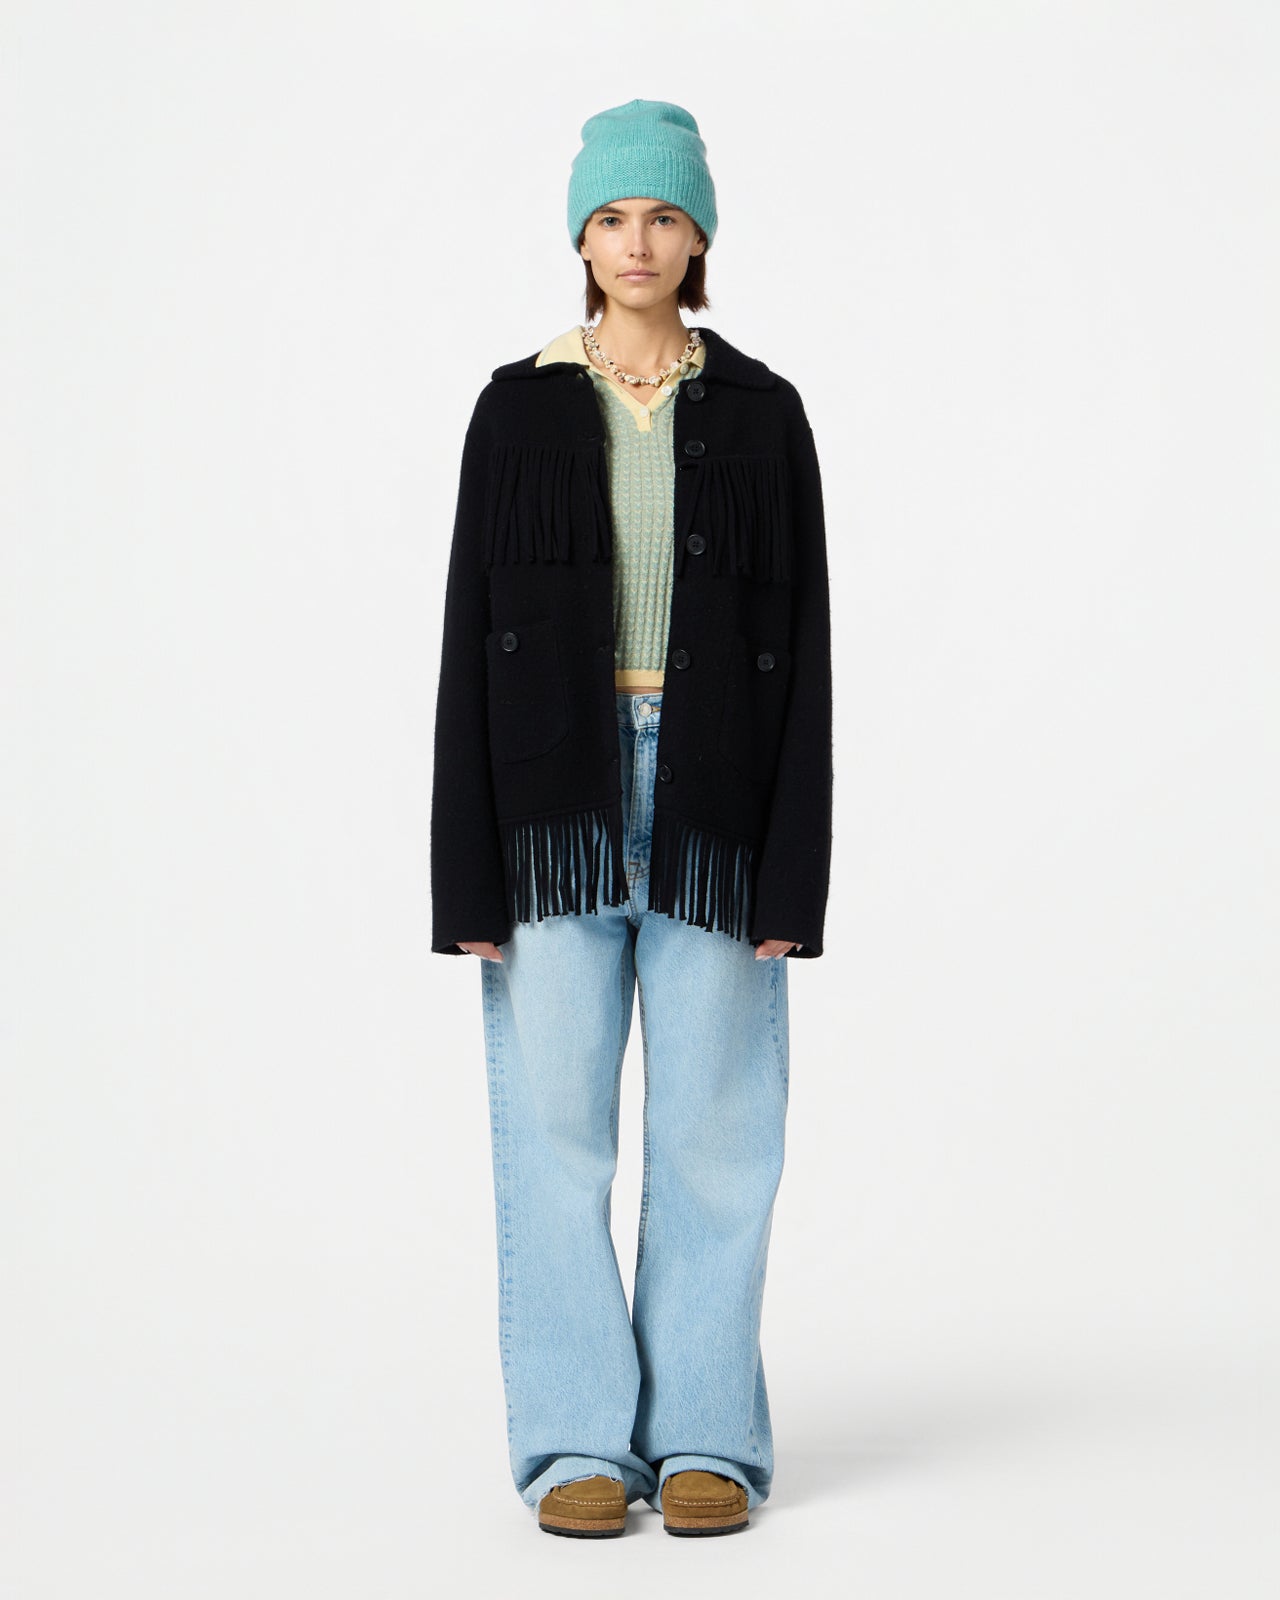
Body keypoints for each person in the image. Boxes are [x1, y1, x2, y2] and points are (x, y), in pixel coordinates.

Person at [430, 99, 833, 1538]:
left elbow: (810, 651)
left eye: (662, 215)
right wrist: (464, 871)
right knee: (554, 1136)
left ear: (699, 232)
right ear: (580, 237)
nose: (637, 242)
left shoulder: (764, 411)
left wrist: (796, 869)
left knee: (718, 1130)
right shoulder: (518, 405)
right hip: (552, 805)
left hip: (718, 798)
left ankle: (708, 1437)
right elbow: (468, 639)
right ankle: (575, 1447)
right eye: (610, 217)